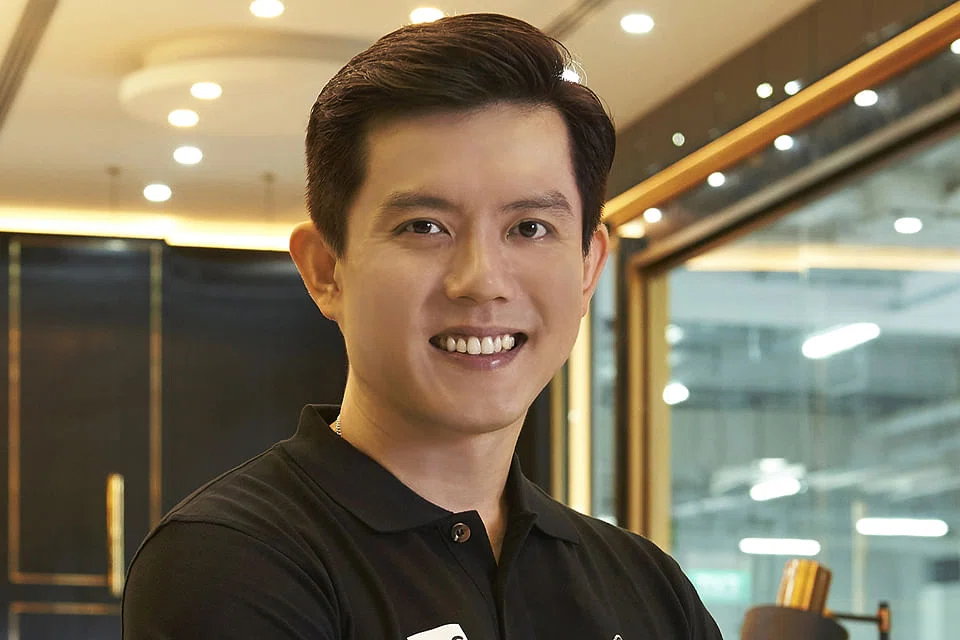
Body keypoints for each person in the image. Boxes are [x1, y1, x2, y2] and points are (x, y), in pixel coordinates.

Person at [123, 13, 722, 640]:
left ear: (588, 268)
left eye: (529, 228)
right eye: (424, 227)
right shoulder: (231, 561)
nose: (481, 280)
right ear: (327, 271)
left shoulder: (648, 587)